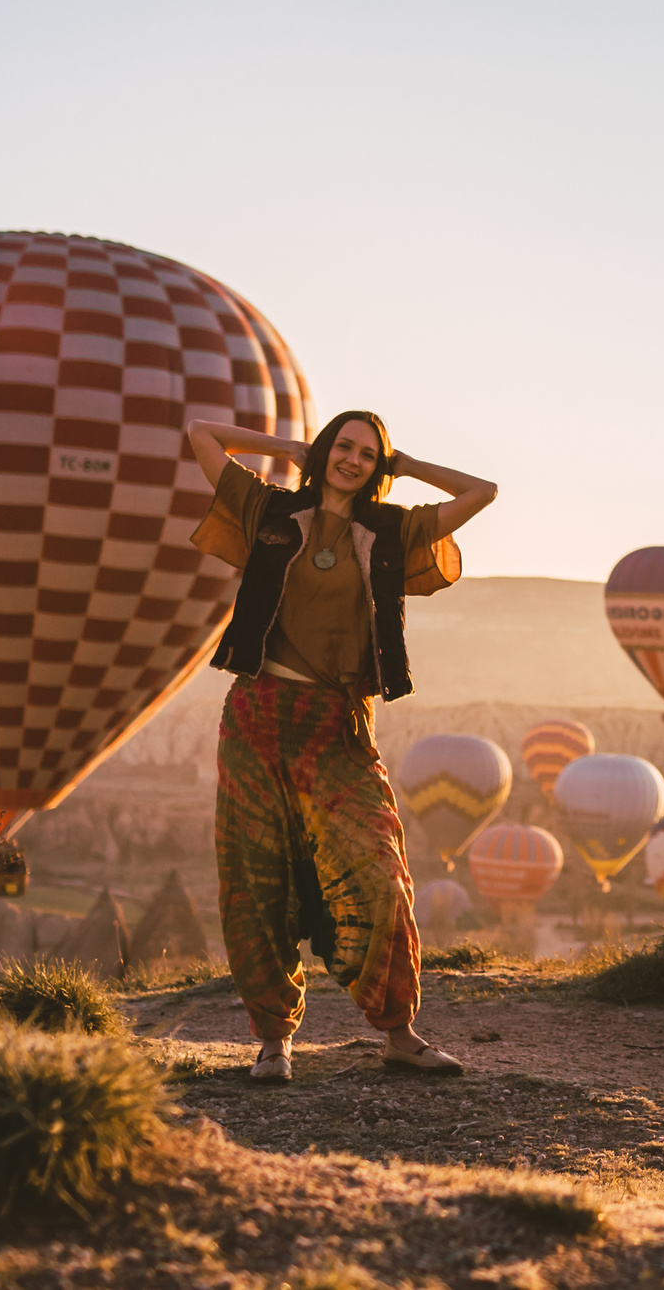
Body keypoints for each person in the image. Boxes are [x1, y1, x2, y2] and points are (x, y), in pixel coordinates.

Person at [185, 409, 499, 1083]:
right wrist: (288, 446)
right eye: (343, 446)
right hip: (258, 715)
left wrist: (406, 463)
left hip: (338, 725)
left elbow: (482, 492)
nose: (352, 460)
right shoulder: (270, 508)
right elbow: (200, 433)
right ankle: (273, 1040)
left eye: (367, 453)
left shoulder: (392, 529)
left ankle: (400, 1033)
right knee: (256, 880)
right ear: (326, 448)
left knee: (378, 871)